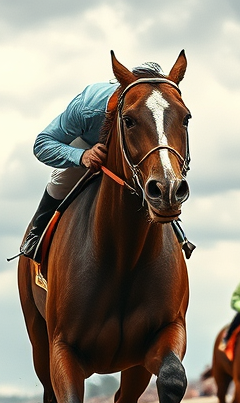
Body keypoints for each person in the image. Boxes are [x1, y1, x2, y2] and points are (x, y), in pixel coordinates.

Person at [19, 62, 192, 262]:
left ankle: (178, 233)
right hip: (89, 144)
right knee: (60, 181)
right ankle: (37, 234)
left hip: (139, 151)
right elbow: (42, 144)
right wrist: (82, 156)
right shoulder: (88, 107)